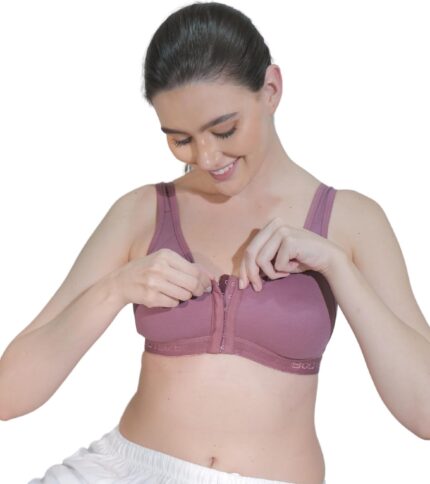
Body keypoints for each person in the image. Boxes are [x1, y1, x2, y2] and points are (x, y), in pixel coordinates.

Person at [1, 1, 429, 483]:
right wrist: (115, 289)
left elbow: (424, 411)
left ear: (271, 89)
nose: (206, 157)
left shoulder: (351, 220)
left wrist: (336, 265)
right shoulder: (142, 211)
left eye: (224, 130)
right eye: (180, 139)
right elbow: (9, 394)